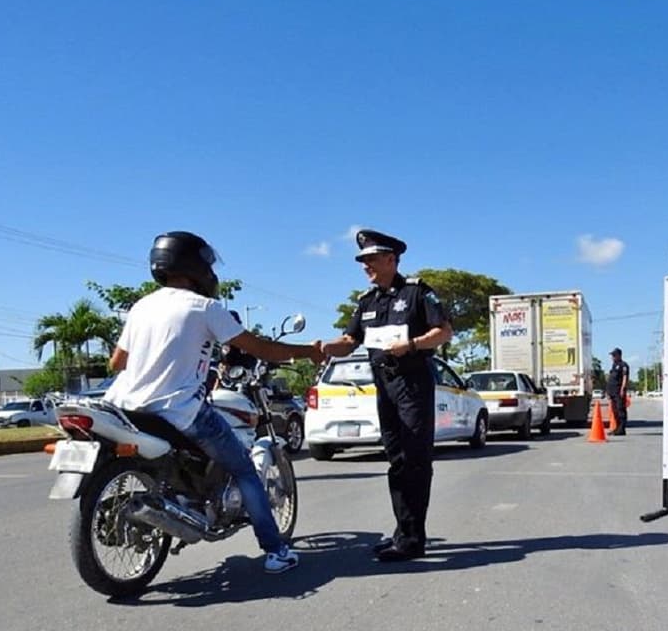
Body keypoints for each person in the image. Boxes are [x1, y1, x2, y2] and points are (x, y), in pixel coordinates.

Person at [103, 231, 324, 575]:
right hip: (178, 409)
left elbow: (117, 362)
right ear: (194, 265)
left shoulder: (141, 306)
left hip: (125, 407)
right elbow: (262, 349)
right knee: (245, 469)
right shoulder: (205, 308)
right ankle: (276, 550)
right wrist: (308, 351)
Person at [322, 229, 454, 561]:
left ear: (391, 259)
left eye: (371, 259)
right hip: (384, 387)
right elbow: (349, 340)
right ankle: (403, 533)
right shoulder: (367, 301)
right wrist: (322, 348)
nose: (365, 265)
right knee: (396, 461)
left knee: (415, 461)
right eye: (362, 260)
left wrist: (411, 345)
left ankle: (412, 540)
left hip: (412, 385)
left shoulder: (417, 293)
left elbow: (444, 331)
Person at [607, 347, 629, 436]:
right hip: (612, 391)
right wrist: (608, 391)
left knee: (620, 409)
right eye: (612, 355)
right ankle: (617, 428)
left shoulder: (623, 365)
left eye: (614, 355)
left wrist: (623, 388)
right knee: (614, 410)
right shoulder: (614, 365)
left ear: (619, 355)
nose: (612, 357)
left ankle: (622, 428)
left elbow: (625, 377)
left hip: (618, 391)